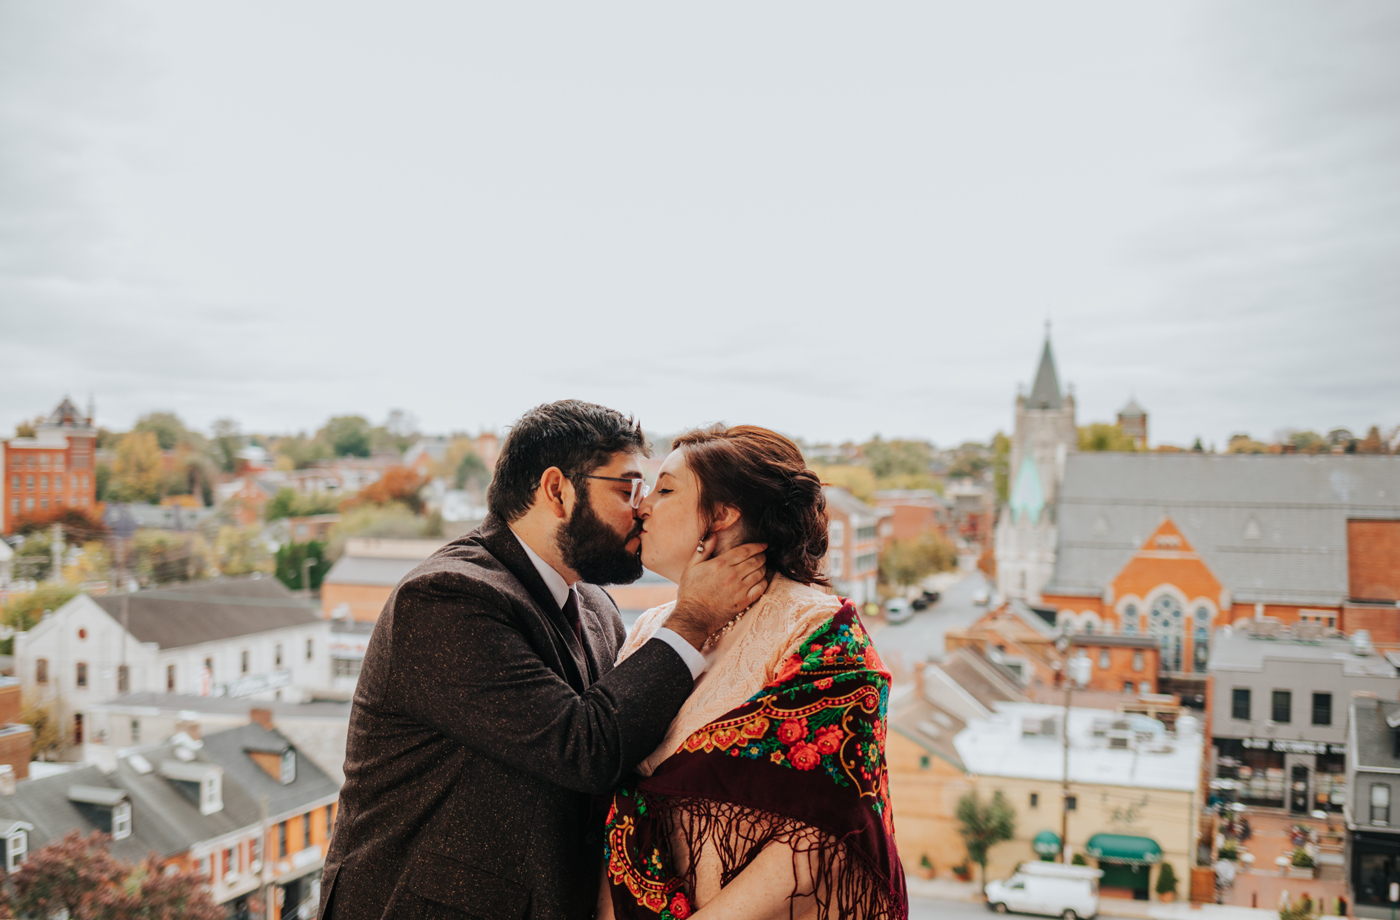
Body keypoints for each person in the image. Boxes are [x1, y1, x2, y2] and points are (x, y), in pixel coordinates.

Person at [319, 401, 768, 920]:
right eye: (628, 489)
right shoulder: (445, 598)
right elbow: (585, 748)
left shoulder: (596, 605)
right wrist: (693, 619)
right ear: (557, 490)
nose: (642, 508)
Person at [599, 425, 907, 920]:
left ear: (722, 514)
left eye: (666, 490)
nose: (644, 507)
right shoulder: (652, 628)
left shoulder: (817, 628)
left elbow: (823, 831)